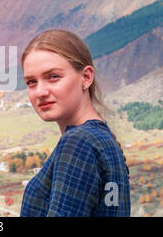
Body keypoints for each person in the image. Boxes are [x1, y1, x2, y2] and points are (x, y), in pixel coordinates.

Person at [19, 29, 130, 217]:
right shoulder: (103, 141)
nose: (40, 92)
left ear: (86, 77)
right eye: (31, 82)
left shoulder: (78, 142)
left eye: (53, 76)